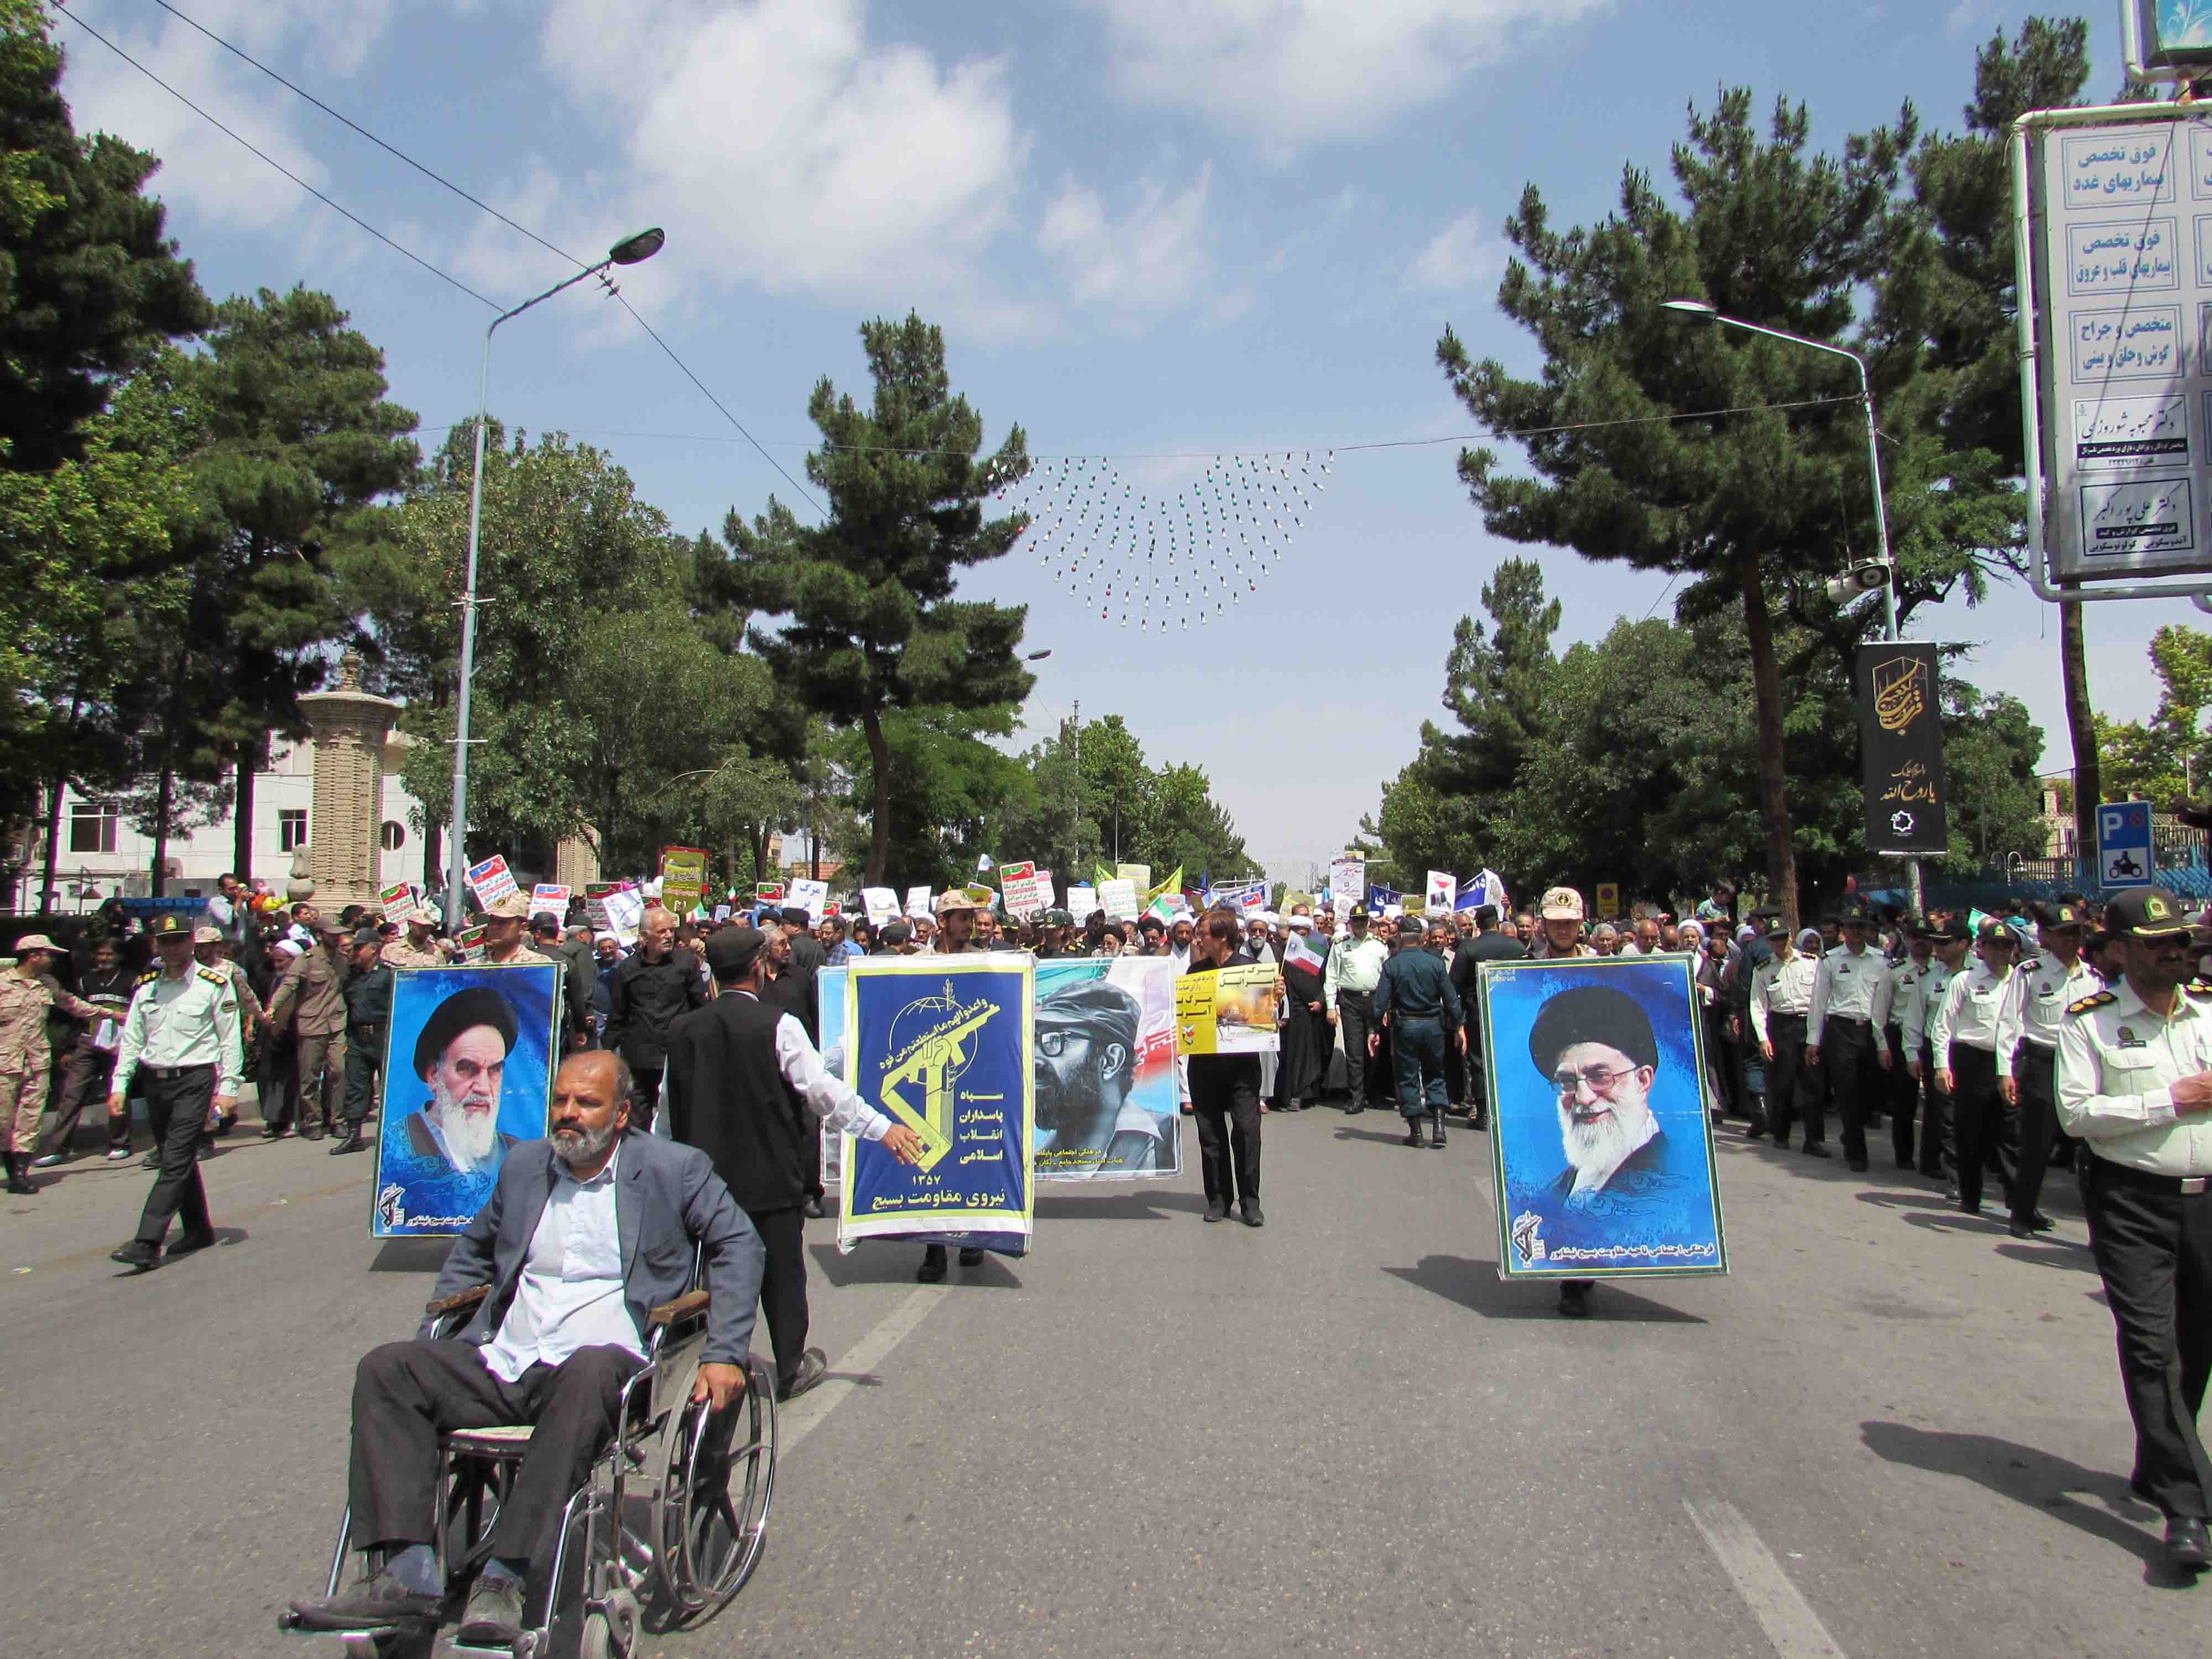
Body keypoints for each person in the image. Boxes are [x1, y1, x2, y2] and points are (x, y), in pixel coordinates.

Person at [286, 1050, 766, 1643]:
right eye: (561, 1100)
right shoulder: (526, 1166)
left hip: (606, 1370)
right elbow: (474, 1250)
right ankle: (406, 1575)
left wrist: (723, 1352)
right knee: (388, 1369)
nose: (569, 1113)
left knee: (589, 1368)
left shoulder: (674, 1168)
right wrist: (442, 1325)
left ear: (621, 1115)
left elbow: (739, 1244)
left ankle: (505, 1576)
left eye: (586, 1103)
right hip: (508, 1359)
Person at [666, 927, 922, 1401]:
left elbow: (666, 1114)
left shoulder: (682, 1030)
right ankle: (789, 1367)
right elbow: (823, 1092)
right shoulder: (778, 1025)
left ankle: (707, 1367)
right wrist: (881, 1128)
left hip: (703, 1184)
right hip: (769, 1179)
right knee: (782, 1279)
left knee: (710, 1274)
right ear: (758, 968)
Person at [2053, 886, 2212, 1575]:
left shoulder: (2207, 1011)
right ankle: (2188, 1507)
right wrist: (2168, 1101)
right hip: (2132, 1202)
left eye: (2179, 940)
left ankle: (2159, 1464)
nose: (2174, 952)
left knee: (2196, 1347)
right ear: (2119, 951)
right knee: (2150, 1347)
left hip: (2207, 1201)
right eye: (2156, 944)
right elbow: (2076, 1115)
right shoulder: (2089, 1022)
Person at [1522, 982, 1678, 1321]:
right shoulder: (1555, 1190)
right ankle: (1574, 1281)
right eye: (1567, 1082)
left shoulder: (1678, 1175)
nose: (1583, 1098)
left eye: (1600, 1076)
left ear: (1643, 1080)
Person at [105, 914, 243, 1269]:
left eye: (179, 940)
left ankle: (146, 1242)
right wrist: (120, 1084)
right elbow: (132, 1038)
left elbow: (230, 1038)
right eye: (165, 941)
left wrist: (229, 1088)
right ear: (156, 945)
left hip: (195, 1079)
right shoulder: (147, 987)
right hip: (156, 1081)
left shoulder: (213, 984)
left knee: (175, 1158)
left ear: (192, 942)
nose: (172, 948)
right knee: (175, 1157)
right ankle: (198, 1229)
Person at [1998, 901, 2098, 1238]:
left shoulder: (2093, 977)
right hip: (2043, 1062)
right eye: (2062, 933)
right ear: (2045, 937)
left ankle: (2098, 1227)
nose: (2070, 939)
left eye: (2075, 933)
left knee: (2089, 1147)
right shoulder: (2030, 973)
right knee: (2037, 1144)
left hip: (2082, 1066)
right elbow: (2009, 1023)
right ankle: (2023, 1213)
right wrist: (2005, 1071)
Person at [1, 932, 109, 1192]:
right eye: (48, 955)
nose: (52, 960)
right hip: (5, 1063)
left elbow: (72, 1005)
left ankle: (20, 1174)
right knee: (3, 1121)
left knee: (31, 1119)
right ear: (33, 956)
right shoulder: (3, 983)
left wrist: (110, 1015)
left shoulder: (48, 984)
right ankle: (11, 1167)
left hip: (36, 1063)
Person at [1929, 919, 2021, 1217]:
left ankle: (2019, 1203)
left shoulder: (2022, 980)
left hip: (2012, 1062)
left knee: (2013, 1135)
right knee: (1971, 1133)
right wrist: (1942, 1066)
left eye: (2006, 946)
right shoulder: (1965, 980)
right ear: (1981, 948)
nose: (2001, 952)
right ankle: (1970, 1195)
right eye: (1994, 946)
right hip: (1973, 1061)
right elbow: (1943, 1025)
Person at [1033, 978, 1165, 1172]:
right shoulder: (1033, 1163)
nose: (1035, 1058)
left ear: (1111, 1060)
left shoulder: (1168, 1141)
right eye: (1034, 1040)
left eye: (1054, 1040)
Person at [1184, 909, 1265, 1226]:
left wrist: (1276, 997)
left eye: (1202, 934)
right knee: (1211, 1136)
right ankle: (1218, 1198)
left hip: (1242, 1070)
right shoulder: (1196, 972)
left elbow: (1268, 1016)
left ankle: (1250, 1202)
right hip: (1204, 1067)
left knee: (1246, 1134)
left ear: (1221, 937)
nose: (1198, 940)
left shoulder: (1250, 970)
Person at [395, 987, 522, 1180]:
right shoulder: (397, 1148)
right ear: (434, 1076)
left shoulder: (517, 1155)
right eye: (468, 1069)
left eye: (494, 1070)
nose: (483, 1088)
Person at [31, 936, 136, 1167]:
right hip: (88, 1042)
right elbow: (75, 1015)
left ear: (120, 956)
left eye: (109, 954)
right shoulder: (85, 982)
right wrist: (70, 1049)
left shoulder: (132, 980)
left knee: (117, 1092)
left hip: (119, 1045)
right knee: (72, 1094)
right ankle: (59, 1148)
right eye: (100, 954)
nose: (104, 958)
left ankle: (119, 1143)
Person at [604, 905, 707, 1131]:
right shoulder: (628, 968)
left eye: (671, 930)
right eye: (662, 931)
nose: (669, 935)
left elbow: (699, 1006)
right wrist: (607, 1050)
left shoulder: (686, 963)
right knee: (638, 1117)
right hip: (639, 1056)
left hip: (675, 1054)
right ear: (645, 936)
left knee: (678, 1115)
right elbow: (618, 1012)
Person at [1371, 914, 1464, 1149]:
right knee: (1436, 1074)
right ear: (1422, 937)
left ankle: (1417, 1132)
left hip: (1406, 1026)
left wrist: (1373, 1029)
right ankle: (1439, 1127)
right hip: (1433, 1025)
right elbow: (1451, 999)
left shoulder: (1392, 965)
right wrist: (1459, 1025)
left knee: (1408, 1076)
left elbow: (1380, 1003)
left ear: (1401, 937)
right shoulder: (1435, 963)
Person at [1805, 901, 1884, 1172]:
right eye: (1850, 927)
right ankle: (1856, 1150)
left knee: (1870, 1093)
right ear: (1843, 931)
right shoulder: (1831, 961)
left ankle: (1852, 1131)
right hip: (1841, 1030)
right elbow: (1818, 1002)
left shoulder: (1881, 960)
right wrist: (1813, 1040)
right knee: (1847, 1091)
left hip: (1872, 1030)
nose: (1855, 932)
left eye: (1860, 927)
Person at [264, 916, 351, 1140]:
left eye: (338, 934)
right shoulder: (306, 960)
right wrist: (273, 1008)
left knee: (339, 1071)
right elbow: (288, 985)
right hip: (312, 1024)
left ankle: (338, 1120)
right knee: (310, 1076)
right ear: (320, 936)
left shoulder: (343, 959)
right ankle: (313, 1121)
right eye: (332, 935)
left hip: (337, 1022)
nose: (337, 939)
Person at [1871, 921, 1941, 1170]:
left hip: (1932, 1038)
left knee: (1936, 1102)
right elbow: (1879, 1013)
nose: (1921, 941)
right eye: (1915, 936)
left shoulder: (1941, 971)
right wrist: (1882, 1046)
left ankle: (1932, 1159)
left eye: (1926, 937)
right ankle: (1904, 1155)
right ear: (1907, 939)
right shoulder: (1894, 971)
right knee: (1905, 1101)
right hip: (1900, 1036)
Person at [1449, 905, 1524, 1131]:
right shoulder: (1516, 946)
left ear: (1478, 925)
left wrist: (1457, 1019)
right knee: (1509, 1058)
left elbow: (1454, 984)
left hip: (1478, 1009)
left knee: (1479, 1061)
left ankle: (1483, 1114)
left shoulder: (1468, 948)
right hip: (1510, 1008)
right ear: (1497, 923)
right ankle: (1510, 1110)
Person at [1750, 922, 1819, 1151]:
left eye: (1783, 938)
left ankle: (1814, 1140)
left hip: (1809, 1024)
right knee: (1783, 1084)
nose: (1780, 943)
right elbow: (1758, 1006)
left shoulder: (1812, 962)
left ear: (1790, 938)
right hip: (1781, 1026)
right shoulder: (1764, 969)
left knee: (1812, 1084)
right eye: (1775, 939)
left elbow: (1822, 997)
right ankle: (1781, 1135)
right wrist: (1763, 1038)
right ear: (1769, 942)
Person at [332, 930, 394, 1156]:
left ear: (374, 949)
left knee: (390, 1087)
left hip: (383, 1036)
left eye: (360, 948)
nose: (355, 952)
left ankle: (394, 1136)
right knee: (355, 1087)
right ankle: (354, 1135)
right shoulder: (352, 977)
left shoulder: (388, 975)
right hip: (358, 1037)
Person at [1323, 908, 1388, 1116]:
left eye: (1363, 920)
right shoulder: (1341, 945)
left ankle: (1373, 1092)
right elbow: (1331, 975)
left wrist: (1386, 1006)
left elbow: (1386, 977)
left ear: (1368, 922)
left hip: (1375, 1000)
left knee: (1374, 1049)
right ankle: (1357, 1097)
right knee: (1354, 1051)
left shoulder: (1379, 945)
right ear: (1350, 923)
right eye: (1356, 921)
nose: (1359, 924)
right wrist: (1330, 1006)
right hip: (1350, 1000)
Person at [1276, 915, 1328, 1113]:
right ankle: (1288, 1094)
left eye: (1303, 934)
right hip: (1289, 1011)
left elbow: (1326, 980)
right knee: (1289, 1054)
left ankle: (1305, 1092)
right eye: (1296, 933)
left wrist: (1320, 1000)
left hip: (1310, 1012)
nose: (1299, 938)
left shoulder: (1314, 955)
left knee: (1308, 1053)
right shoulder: (1282, 954)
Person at [1528, 887, 1598, 961]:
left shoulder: (1598, 965)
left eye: (1569, 922)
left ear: (1581, 923)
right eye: (1556, 922)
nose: (1563, 930)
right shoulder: (1528, 966)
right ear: (1543, 924)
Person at [381, 905, 448, 969]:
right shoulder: (390, 949)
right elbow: (382, 973)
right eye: (422, 927)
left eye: (429, 927)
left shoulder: (435, 951)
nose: (427, 930)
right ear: (410, 925)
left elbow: (442, 974)